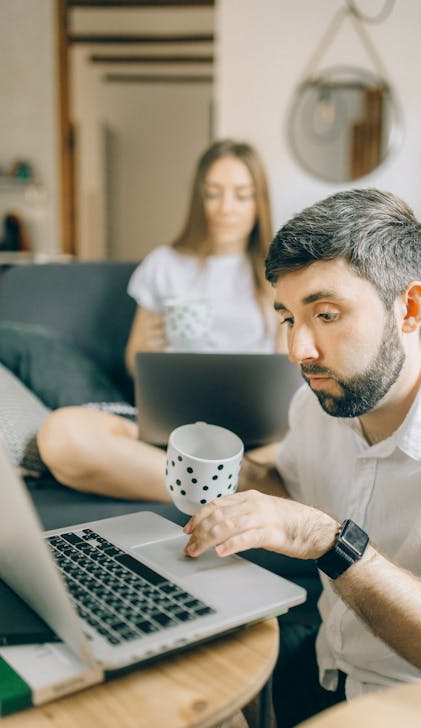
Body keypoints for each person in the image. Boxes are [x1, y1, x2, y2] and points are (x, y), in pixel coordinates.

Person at [182, 188, 421, 728]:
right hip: (328, 670)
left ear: (411, 309)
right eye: (288, 318)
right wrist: (229, 470)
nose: (298, 351)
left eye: (326, 314)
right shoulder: (316, 403)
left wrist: (329, 541)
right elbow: (292, 489)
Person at [38, 139, 284, 502]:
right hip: (171, 431)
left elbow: (288, 374)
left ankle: (214, 476)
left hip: (259, 440)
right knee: (61, 435)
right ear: (198, 198)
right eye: (213, 194)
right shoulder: (164, 264)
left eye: (241, 196)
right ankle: (237, 485)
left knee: (317, 436)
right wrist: (150, 350)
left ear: (259, 202)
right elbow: (134, 359)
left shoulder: (279, 273)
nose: (226, 208)